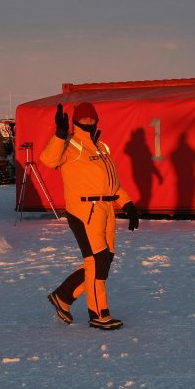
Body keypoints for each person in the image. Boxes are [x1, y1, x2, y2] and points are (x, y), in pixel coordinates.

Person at [40, 102, 139, 330]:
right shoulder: (68, 145)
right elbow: (48, 159)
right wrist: (59, 134)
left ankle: (63, 296)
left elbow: (111, 182)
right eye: (83, 120)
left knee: (106, 258)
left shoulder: (101, 147)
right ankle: (98, 313)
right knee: (96, 260)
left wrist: (128, 204)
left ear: (97, 120)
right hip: (84, 210)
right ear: (75, 121)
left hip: (106, 209)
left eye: (91, 119)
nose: (88, 123)